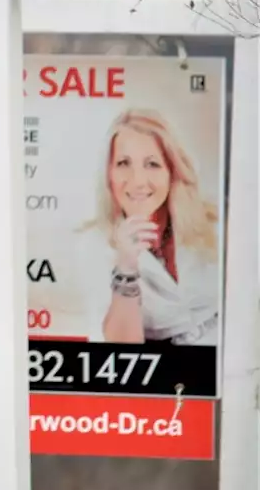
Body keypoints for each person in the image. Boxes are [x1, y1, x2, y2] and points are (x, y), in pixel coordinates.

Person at [77, 108, 219, 346]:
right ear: (108, 173)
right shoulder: (93, 244)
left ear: (172, 170)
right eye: (123, 163)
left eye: (152, 164)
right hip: (159, 374)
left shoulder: (214, 223)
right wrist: (126, 266)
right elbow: (121, 349)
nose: (138, 181)